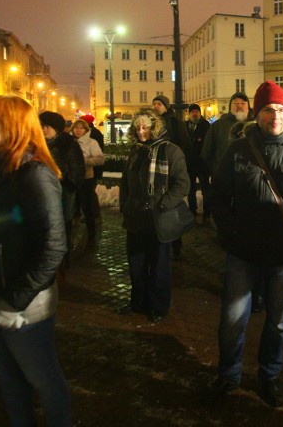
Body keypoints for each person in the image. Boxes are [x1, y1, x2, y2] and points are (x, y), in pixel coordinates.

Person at [203, 80, 283, 408]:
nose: (275, 115)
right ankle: (228, 374)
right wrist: (229, 232)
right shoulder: (239, 150)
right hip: (243, 252)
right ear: (256, 115)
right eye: (268, 109)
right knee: (232, 321)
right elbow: (217, 196)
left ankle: (269, 377)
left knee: (278, 323)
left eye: (280, 109)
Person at [0, 95, 71, 427]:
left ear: (12, 127)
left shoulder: (34, 175)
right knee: (8, 377)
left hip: (21, 305)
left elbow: (53, 247)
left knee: (43, 379)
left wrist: (15, 302)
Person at [118, 108, 190, 322]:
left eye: (145, 127)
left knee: (159, 266)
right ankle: (138, 302)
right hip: (135, 217)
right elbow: (125, 182)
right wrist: (125, 204)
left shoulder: (170, 150)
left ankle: (158, 307)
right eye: (138, 128)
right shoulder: (135, 150)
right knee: (136, 264)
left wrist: (163, 204)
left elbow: (182, 184)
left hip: (158, 218)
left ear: (154, 128)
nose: (141, 132)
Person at [40, 111, 85, 259]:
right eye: (43, 126)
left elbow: (77, 168)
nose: (45, 130)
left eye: (49, 127)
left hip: (63, 190)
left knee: (63, 223)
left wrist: (69, 183)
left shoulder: (68, 144)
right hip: (42, 191)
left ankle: (62, 256)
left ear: (57, 128)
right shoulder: (38, 144)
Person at [201, 92, 251, 176]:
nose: (239, 106)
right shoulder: (217, 126)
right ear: (230, 107)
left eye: (243, 103)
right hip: (223, 177)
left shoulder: (254, 126)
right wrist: (216, 170)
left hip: (248, 178)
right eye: (235, 103)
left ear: (248, 107)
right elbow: (206, 153)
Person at [71, 118, 104, 241]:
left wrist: (83, 162)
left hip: (86, 178)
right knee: (71, 206)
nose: (78, 130)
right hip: (71, 179)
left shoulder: (91, 142)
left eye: (81, 128)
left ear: (86, 130)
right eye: (76, 128)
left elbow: (100, 159)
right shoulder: (69, 142)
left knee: (87, 206)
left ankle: (91, 234)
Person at [185, 103, 212, 229]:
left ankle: (207, 215)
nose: (195, 114)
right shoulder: (185, 126)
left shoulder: (206, 126)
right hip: (189, 164)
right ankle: (192, 213)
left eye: (196, 111)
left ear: (200, 113)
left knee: (205, 190)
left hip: (202, 164)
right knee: (190, 191)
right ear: (189, 114)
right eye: (192, 112)